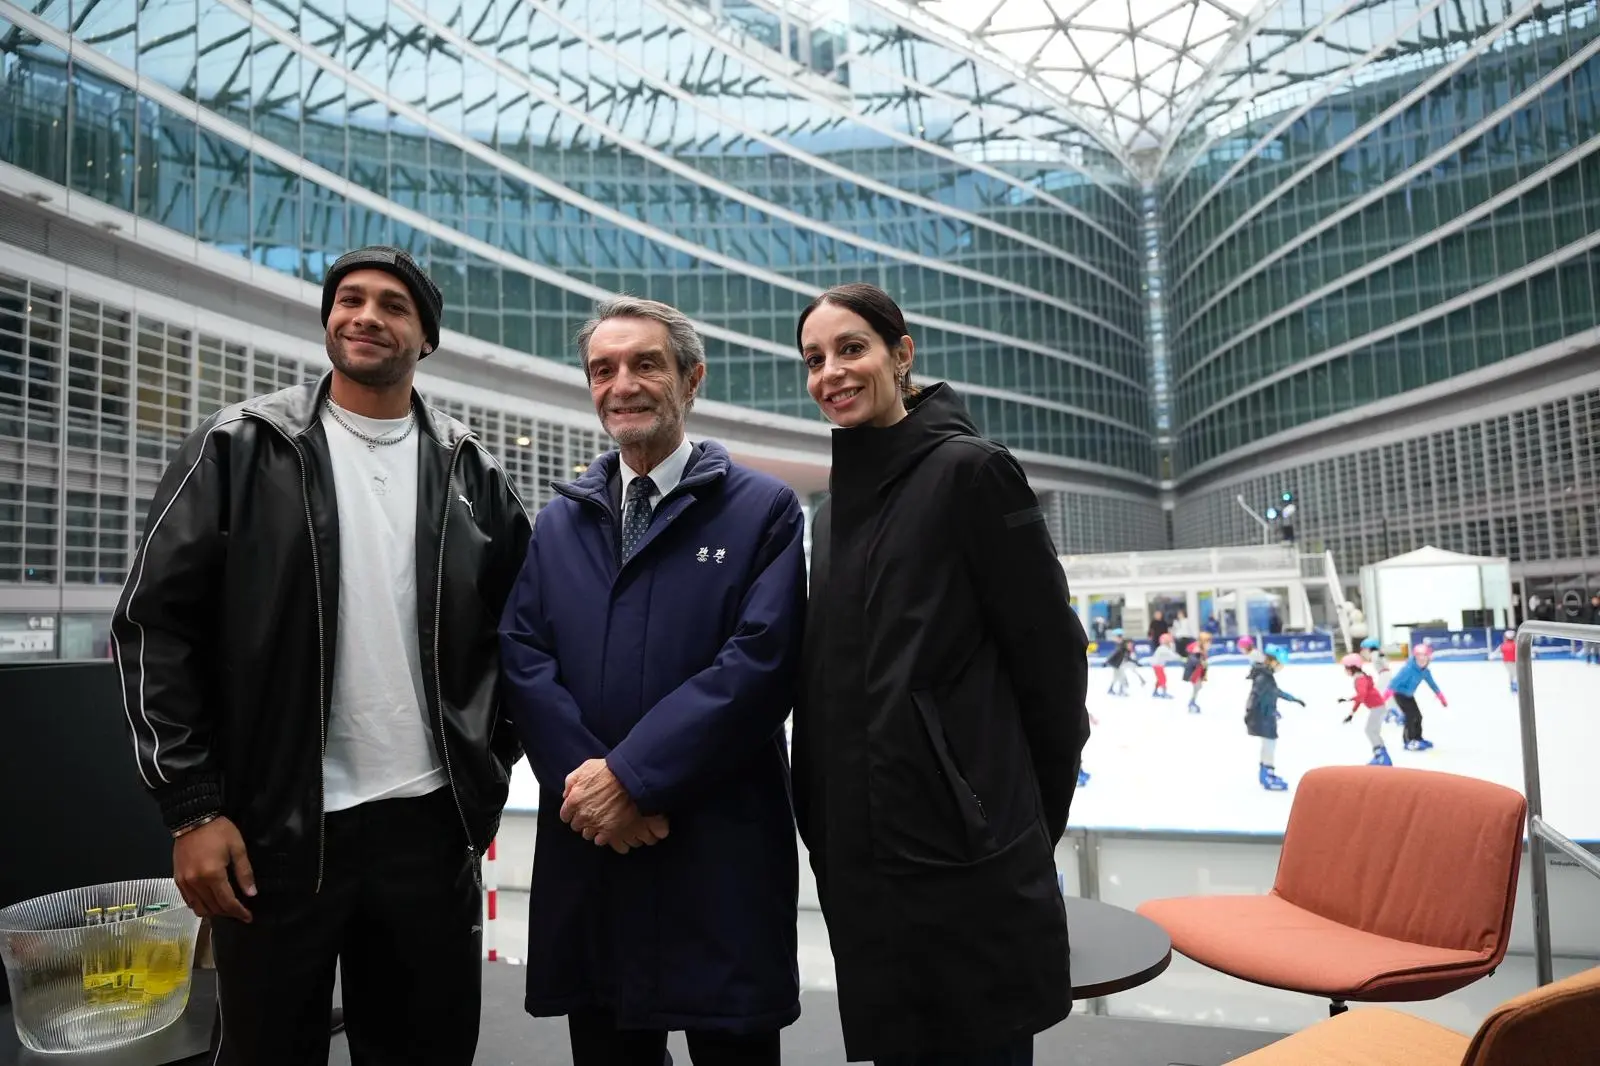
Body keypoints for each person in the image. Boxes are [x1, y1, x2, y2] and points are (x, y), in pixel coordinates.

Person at [110, 246, 530, 1064]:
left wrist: (485, 769)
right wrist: (193, 806)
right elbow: (154, 627)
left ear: (427, 337)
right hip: (273, 831)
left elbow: (523, 636)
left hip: (429, 828)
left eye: (392, 305)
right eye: (349, 299)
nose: (365, 315)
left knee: (427, 1050)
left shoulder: (470, 468)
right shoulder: (242, 446)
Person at [499, 296, 806, 1066]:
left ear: (691, 378)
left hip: (717, 852)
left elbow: (760, 665)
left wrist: (632, 780)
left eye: (645, 364)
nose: (622, 383)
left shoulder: (762, 510)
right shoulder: (560, 522)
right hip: (595, 846)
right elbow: (524, 659)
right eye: (604, 369)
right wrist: (595, 792)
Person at [790, 283, 1090, 1066]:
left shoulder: (972, 473)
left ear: (901, 353)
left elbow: (1051, 663)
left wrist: (1012, 818)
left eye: (851, 348)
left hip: (965, 857)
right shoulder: (831, 512)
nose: (832, 372)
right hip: (867, 855)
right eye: (815, 359)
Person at [1245, 647, 1305, 791]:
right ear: (1273, 662)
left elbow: (1272, 693)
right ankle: (1267, 773)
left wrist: (1292, 699)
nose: (1282, 668)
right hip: (1263, 717)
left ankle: (1265, 772)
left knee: (1269, 743)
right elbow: (1258, 697)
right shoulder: (1263, 677)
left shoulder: (1265, 675)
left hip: (1265, 715)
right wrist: (1258, 713)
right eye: (1280, 664)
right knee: (1269, 743)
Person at [1388, 644, 1447, 751]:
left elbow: (1432, 684)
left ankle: (1418, 738)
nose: (1422, 660)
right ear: (1415, 657)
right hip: (1400, 694)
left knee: (1418, 716)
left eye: (1425, 657)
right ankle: (1409, 741)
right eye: (1419, 657)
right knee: (1410, 717)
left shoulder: (1425, 671)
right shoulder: (1408, 669)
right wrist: (1385, 696)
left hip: (1409, 695)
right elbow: (1394, 682)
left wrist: (1440, 696)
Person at [1338, 653, 1391, 765]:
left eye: (1346, 668)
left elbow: (1361, 695)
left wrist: (1347, 699)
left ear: (1352, 667)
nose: (1345, 671)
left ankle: (1382, 757)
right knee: (1372, 731)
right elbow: (1360, 699)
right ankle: (1382, 755)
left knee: (1370, 731)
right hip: (1378, 707)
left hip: (1378, 707)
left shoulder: (1360, 679)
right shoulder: (1361, 677)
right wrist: (1351, 713)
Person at [1150, 633, 1182, 699]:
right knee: (1163, 679)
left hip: (1158, 665)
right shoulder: (1163, 648)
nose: (1171, 643)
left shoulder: (1164, 648)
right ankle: (1164, 693)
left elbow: (1169, 656)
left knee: (1159, 679)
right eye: (1169, 642)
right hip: (1157, 665)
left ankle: (1155, 692)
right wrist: (1181, 658)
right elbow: (1172, 656)